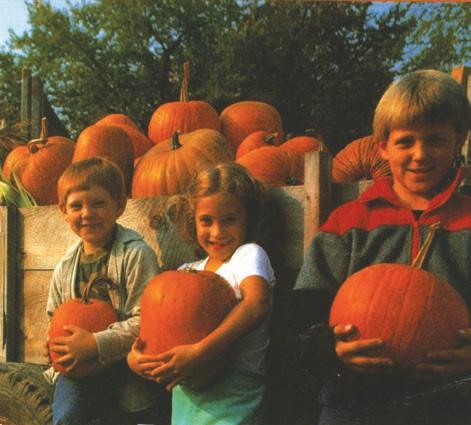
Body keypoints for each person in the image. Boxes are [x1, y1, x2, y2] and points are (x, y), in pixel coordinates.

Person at [293, 69, 471, 425]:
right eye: (405, 142)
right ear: (382, 147)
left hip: (448, 404)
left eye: (436, 140)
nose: (420, 154)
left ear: (459, 141)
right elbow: (303, 316)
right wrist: (332, 350)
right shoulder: (349, 223)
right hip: (355, 404)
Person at [127, 162, 276, 425]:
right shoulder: (187, 271)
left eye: (229, 220)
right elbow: (158, 330)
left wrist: (199, 352)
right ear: (192, 221)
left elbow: (256, 304)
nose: (217, 232)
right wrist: (136, 359)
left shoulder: (248, 255)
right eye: (206, 221)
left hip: (236, 390)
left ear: (248, 219)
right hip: (186, 393)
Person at [45, 157, 170, 425]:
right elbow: (54, 317)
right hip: (80, 369)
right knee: (67, 418)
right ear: (63, 211)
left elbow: (147, 321)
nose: (87, 213)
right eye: (76, 206)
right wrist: (54, 346)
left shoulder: (136, 256)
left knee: (136, 414)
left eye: (98, 203)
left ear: (120, 205)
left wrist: (96, 344)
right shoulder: (64, 267)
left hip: (127, 364)